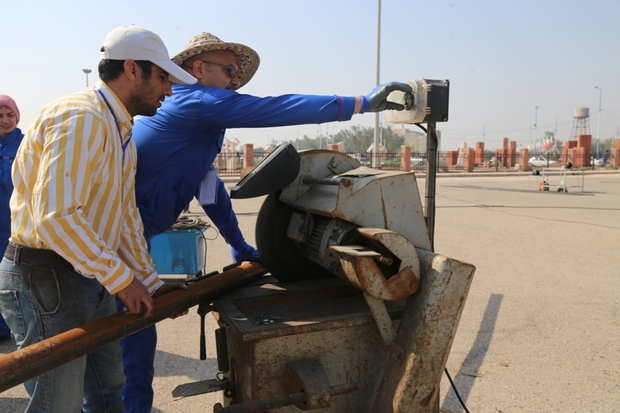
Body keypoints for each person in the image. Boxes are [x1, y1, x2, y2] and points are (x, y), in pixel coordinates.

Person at [123, 31, 414, 413]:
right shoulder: (193, 100)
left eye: (237, 78)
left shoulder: (200, 124)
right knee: (129, 345)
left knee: (128, 342)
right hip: (117, 241)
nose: (234, 82)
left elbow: (209, 189)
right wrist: (358, 103)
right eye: (229, 71)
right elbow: (274, 107)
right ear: (198, 68)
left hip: (132, 239)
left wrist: (238, 243)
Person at [0, 25, 195, 413]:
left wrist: (151, 284)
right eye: (162, 78)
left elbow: (124, 219)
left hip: (89, 278)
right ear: (132, 69)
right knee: (59, 403)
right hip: (47, 280)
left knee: (109, 391)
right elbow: (57, 217)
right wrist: (123, 280)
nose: (169, 91)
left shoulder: (119, 128)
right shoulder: (82, 117)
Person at [0, 94, 23, 341]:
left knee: (12, 283)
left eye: (10, 115)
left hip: (15, 227)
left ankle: (15, 328)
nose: (5, 121)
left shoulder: (27, 146)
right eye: (0, 116)